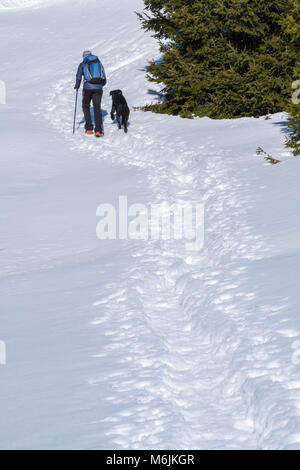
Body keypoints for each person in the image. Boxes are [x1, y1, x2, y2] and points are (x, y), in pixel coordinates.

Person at [74, 51, 107, 137]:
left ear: (84, 57)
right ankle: (98, 130)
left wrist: (77, 86)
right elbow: (104, 77)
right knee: (97, 108)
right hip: (98, 88)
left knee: (86, 106)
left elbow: (78, 76)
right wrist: (99, 86)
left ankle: (89, 129)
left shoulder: (83, 64)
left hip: (87, 88)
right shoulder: (98, 62)